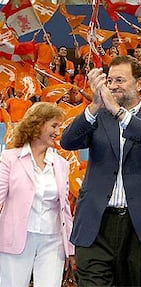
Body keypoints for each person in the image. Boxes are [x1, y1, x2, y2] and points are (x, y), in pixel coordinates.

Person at [60, 55, 141, 286]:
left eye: (120, 80)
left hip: (138, 226)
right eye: (110, 80)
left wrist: (119, 113)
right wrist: (95, 104)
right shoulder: (98, 116)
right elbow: (68, 141)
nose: (113, 86)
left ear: (140, 84)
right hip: (96, 223)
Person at [0, 102, 75, 286]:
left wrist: (70, 249)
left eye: (59, 126)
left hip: (53, 241)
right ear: (38, 125)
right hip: (15, 239)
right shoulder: (9, 159)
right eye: (54, 125)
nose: (58, 131)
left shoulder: (61, 164)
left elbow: (64, 209)